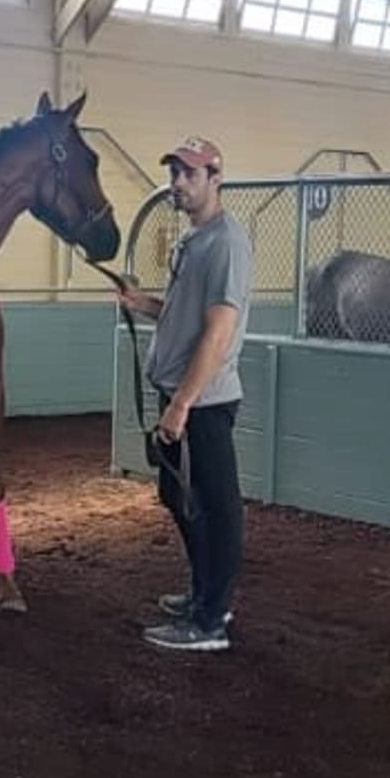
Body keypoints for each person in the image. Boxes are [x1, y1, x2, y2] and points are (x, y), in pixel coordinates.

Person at [116, 136, 252, 652]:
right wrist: (143, 303)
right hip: (183, 396)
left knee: (217, 506)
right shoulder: (194, 242)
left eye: (188, 174)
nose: (177, 183)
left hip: (204, 401)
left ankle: (211, 619)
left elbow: (218, 332)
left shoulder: (226, 243)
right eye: (174, 173)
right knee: (179, 495)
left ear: (215, 179)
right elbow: (184, 313)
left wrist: (182, 405)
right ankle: (205, 593)